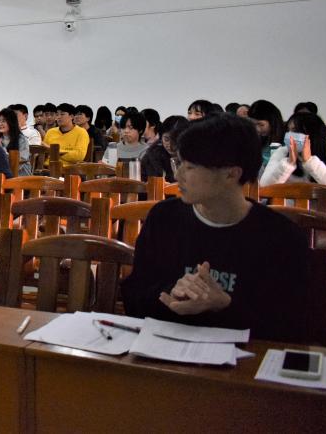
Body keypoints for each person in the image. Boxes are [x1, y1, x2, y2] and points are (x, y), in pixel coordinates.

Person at [121, 115, 310, 342]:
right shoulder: (164, 218)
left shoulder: (281, 237)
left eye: (190, 167)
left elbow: (293, 327)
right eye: (178, 164)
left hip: (243, 359)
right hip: (166, 350)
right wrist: (171, 292)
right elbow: (133, 296)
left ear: (231, 173)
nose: (178, 175)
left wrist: (225, 305)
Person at [259, 112, 326, 187]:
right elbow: (264, 186)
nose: (289, 135)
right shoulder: (282, 152)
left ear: (311, 135)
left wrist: (310, 162)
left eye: (295, 131)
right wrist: (288, 164)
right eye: (288, 130)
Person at [141, 115, 186, 182]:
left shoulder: (194, 158)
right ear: (161, 137)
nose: (170, 145)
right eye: (166, 139)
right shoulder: (151, 157)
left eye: (175, 140)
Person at [247, 99, 285, 167]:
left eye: (261, 125)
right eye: (253, 124)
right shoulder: (255, 139)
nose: (257, 129)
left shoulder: (286, 141)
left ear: (272, 121)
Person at [0, 107, 31, 176]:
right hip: (3, 174)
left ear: (11, 122)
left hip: (20, 176)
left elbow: (20, 163)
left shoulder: (22, 140)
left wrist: (0, 148)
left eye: (3, 121)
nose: (0, 124)